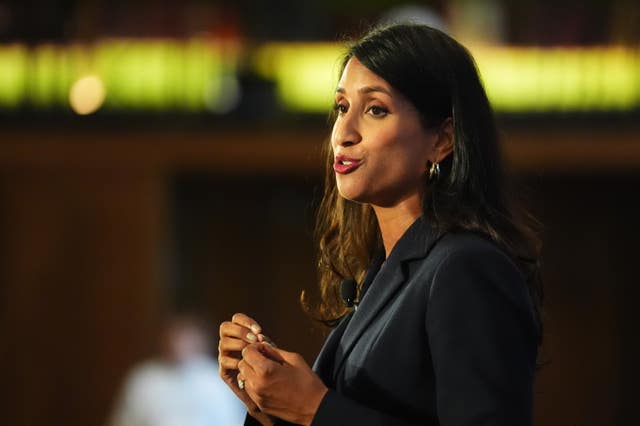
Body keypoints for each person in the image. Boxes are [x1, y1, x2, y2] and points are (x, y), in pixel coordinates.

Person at [218, 23, 543, 426]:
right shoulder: (384, 273)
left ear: (442, 140)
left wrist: (313, 407)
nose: (344, 134)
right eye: (341, 108)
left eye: (375, 109)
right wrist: (269, 400)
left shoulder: (467, 267)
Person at [110, 312, 246, 426]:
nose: (179, 344)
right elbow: (124, 421)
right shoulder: (144, 377)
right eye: (176, 338)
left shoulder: (218, 377)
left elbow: (233, 421)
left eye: (186, 338)